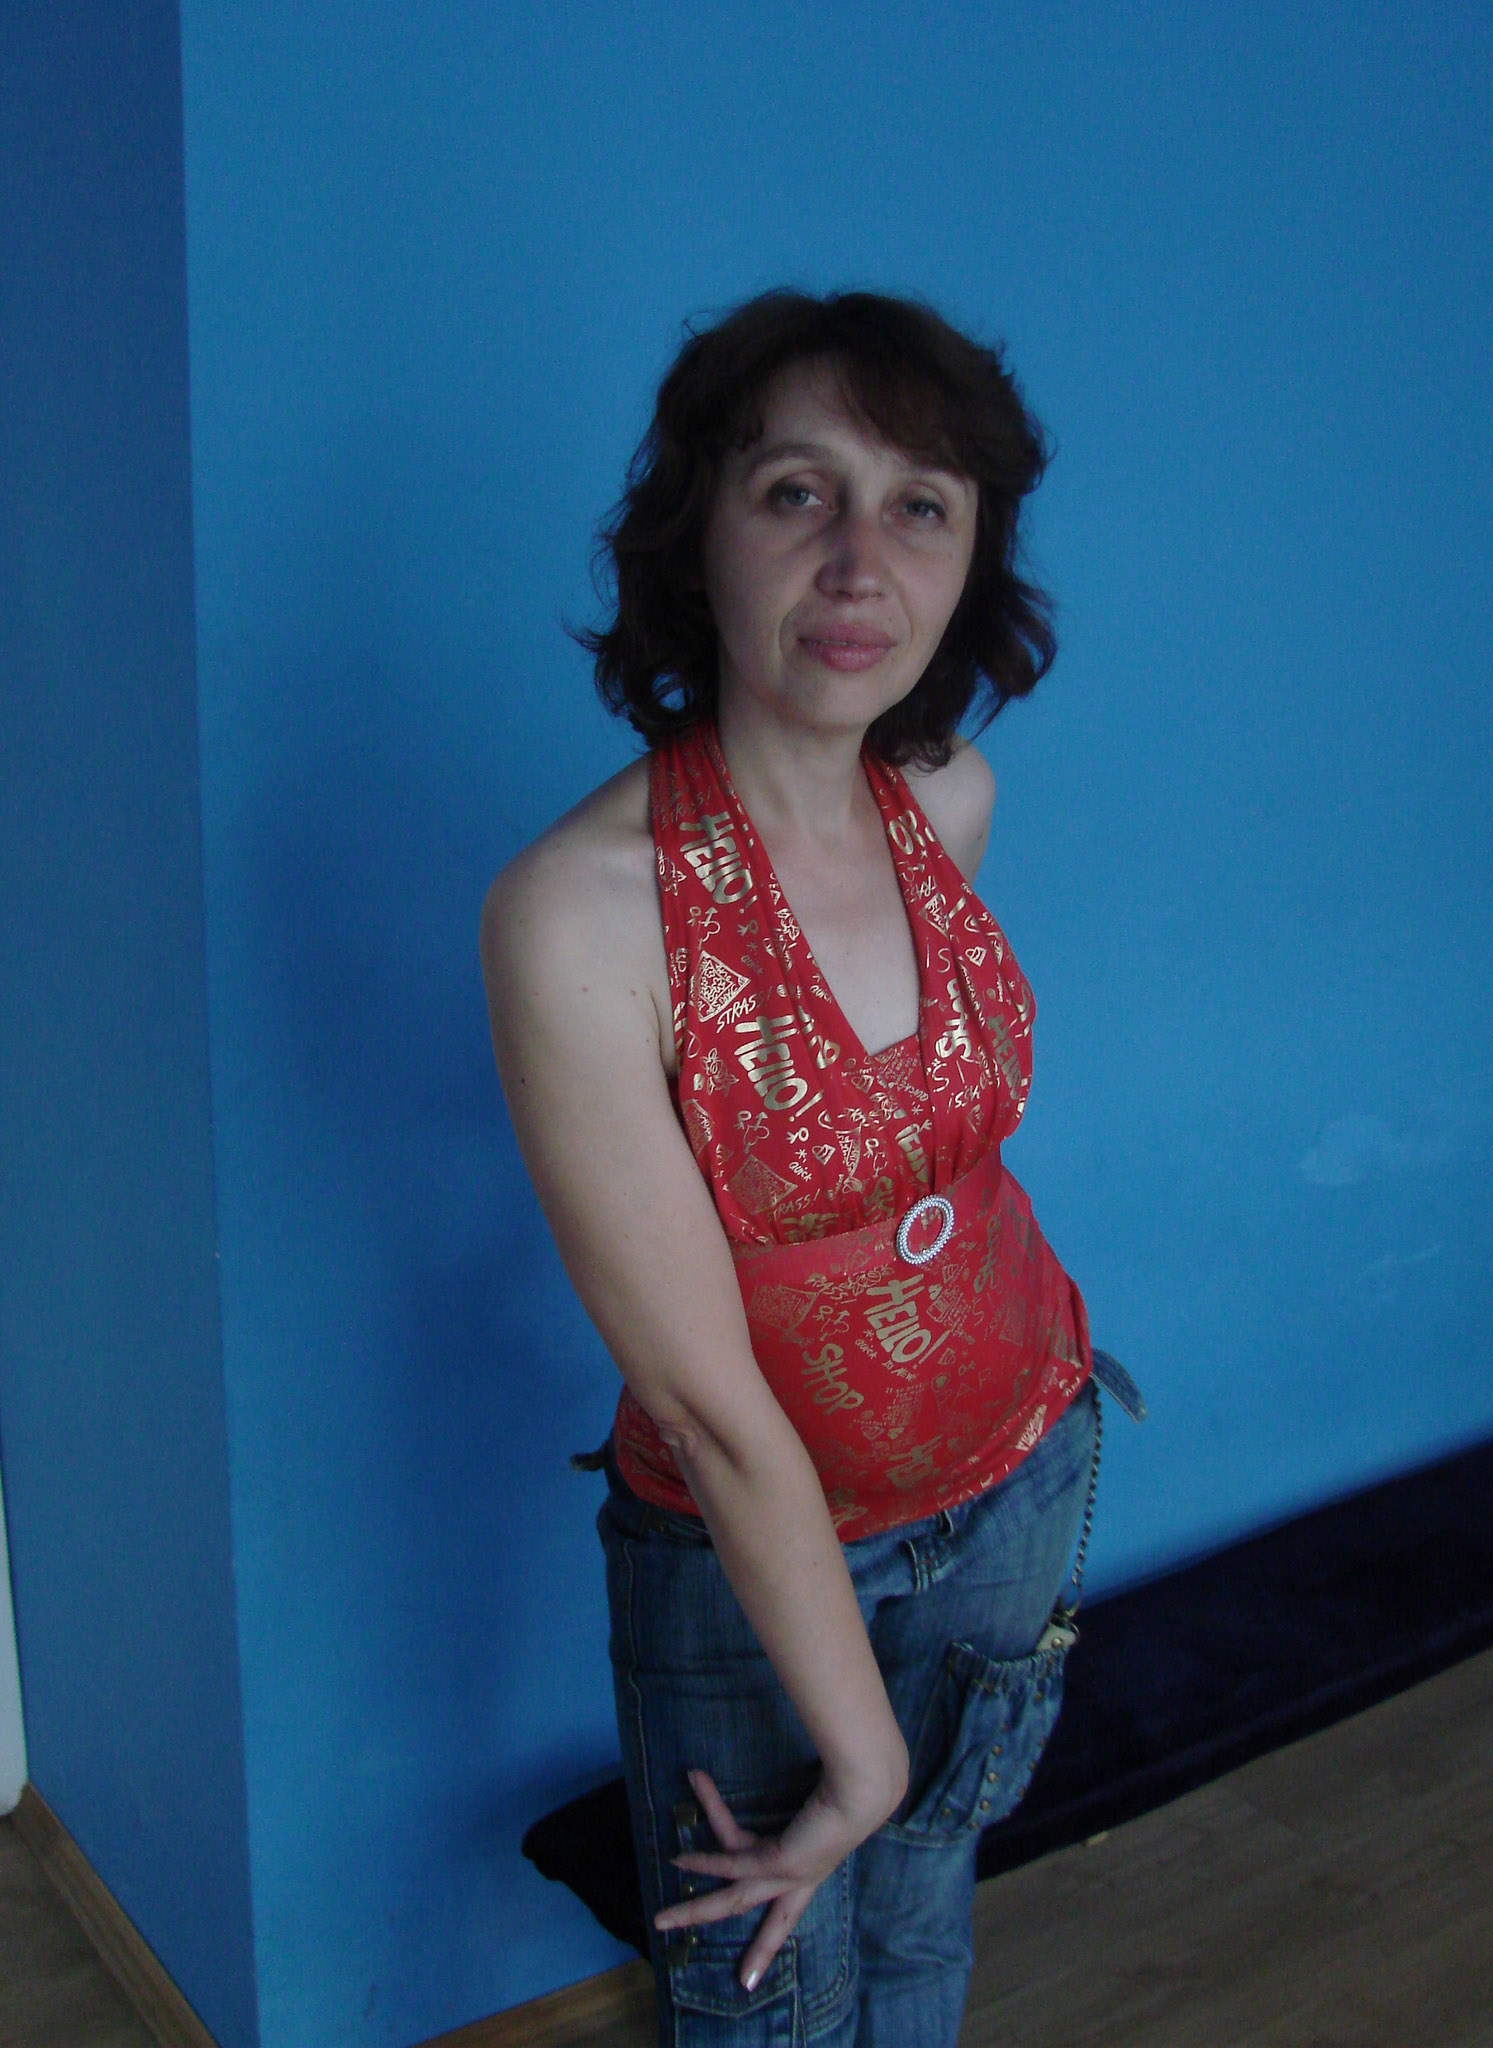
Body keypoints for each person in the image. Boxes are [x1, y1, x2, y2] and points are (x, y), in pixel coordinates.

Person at [481, 288, 1128, 2047]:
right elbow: (709, 1407)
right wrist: (858, 1749)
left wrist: (889, 1782)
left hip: (1020, 1471)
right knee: (763, 2005)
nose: (860, 561)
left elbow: (920, 1146)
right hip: (755, 1565)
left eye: (920, 504)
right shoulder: (578, 916)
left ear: (970, 558)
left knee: (919, 1931)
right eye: (796, 492)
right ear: (698, 534)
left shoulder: (950, 798)